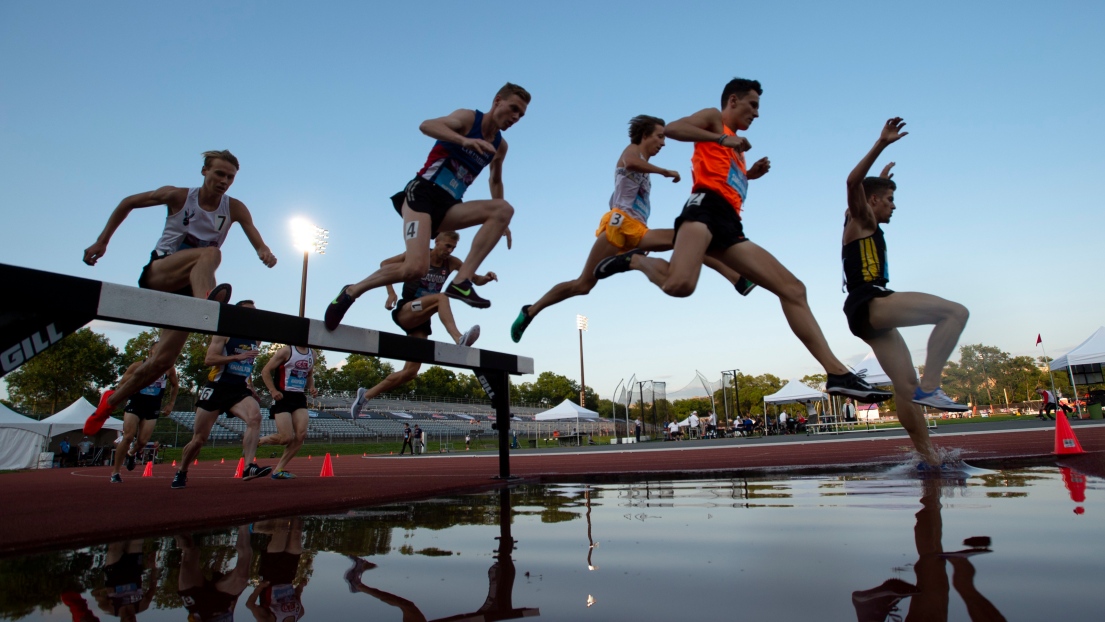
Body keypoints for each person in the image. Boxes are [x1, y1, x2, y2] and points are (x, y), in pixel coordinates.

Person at [619, 78, 890, 403]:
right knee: (680, 286)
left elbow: (722, 175)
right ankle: (635, 259)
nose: (757, 114)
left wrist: (750, 175)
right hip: (703, 210)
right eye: (753, 105)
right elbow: (675, 129)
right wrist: (721, 138)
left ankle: (837, 374)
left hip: (729, 223)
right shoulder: (713, 118)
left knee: (793, 289)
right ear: (733, 101)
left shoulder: (736, 146)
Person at [82, 150, 277, 434]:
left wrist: (265, 252)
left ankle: (110, 401)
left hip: (189, 290)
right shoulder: (178, 196)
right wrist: (102, 241)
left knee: (161, 362)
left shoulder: (235, 208)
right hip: (161, 273)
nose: (224, 181)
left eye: (230, 177)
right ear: (204, 172)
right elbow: (128, 202)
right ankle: (208, 309)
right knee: (211, 254)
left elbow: (257, 239)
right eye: (219, 174)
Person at [511, 115, 754, 342]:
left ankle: (738, 279)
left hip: (638, 230)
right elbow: (630, 162)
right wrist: (663, 171)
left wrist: (749, 175)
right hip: (619, 225)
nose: (663, 143)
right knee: (582, 285)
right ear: (644, 135)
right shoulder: (632, 152)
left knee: (689, 241)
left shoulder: (644, 165)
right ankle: (530, 311)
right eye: (659, 136)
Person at [325, 83, 530, 329]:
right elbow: (427, 126)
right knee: (415, 268)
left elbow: (495, 180)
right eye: (513, 108)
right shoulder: (468, 118)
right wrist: (463, 141)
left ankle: (461, 281)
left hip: (449, 205)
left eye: (521, 114)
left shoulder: (500, 146)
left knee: (504, 210)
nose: (516, 117)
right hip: (422, 194)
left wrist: (501, 224)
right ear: (497, 101)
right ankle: (352, 291)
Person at [842, 118, 970, 466]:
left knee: (904, 386)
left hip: (863, 311)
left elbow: (863, 186)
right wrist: (881, 144)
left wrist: (882, 178)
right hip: (871, 301)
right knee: (955, 312)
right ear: (871, 202)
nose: (894, 206)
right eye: (890, 199)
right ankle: (932, 385)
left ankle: (928, 458)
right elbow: (853, 182)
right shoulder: (863, 218)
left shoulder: (856, 218)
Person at [348, 232, 489, 417]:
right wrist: (390, 292)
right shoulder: (418, 254)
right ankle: (458, 338)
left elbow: (474, 278)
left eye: (453, 247)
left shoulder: (452, 262)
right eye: (447, 246)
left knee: (410, 372)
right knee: (442, 297)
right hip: (407, 309)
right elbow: (384, 264)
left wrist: (486, 278)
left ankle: (366, 395)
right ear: (436, 241)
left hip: (422, 318)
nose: (450, 250)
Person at [172, 300, 271, 489]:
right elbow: (209, 359)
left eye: (255, 312)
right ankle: (182, 470)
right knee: (199, 439)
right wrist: (236, 357)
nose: (253, 315)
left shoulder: (256, 339)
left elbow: (247, 365)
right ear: (237, 314)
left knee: (255, 417)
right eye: (248, 312)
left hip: (238, 390)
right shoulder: (224, 332)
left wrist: (251, 386)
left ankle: (249, 465)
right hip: (217, 387)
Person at [110, 338, 180, 483]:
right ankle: (115, 472)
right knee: (128, 436)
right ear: (150, 352)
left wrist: (170, 404)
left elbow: (175, 385)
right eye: (158, 349)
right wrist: (117, 399)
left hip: (153, 406)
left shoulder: (168, 368)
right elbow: (122, 384)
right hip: (135, 403)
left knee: (142, 441)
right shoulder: (137, 366)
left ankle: (131, 453)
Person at [258, 344, 318, 479]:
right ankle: (261, 440)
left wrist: (312, 387)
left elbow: (309, 375)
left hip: (299, 398)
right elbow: (265, 370)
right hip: (283, 396)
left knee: (301, 435)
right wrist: (273, 390)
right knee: (286, 438)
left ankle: (278, 469)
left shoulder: (313, 354)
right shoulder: (286, 351)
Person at [177, 525, 252, 622]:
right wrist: (237, 593)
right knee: (242, 578)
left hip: (197, 605)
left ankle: (171, 521)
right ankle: (244, 526)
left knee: (189, 548)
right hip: (222, 604)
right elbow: (231, 610)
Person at [247, 518, 308, 622]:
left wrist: (260, 587)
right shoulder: (299, 613)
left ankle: (256, 527)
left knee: (281, 529)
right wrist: (300, 587)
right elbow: (297, 595)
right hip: (289, 573)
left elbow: (250, 604)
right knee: (297, 531)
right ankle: (298, 505)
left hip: (272, 575)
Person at [90, 540, 159, 620]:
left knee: (116, 544)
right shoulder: (142, 606)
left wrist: (105, 589)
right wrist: (153, 568)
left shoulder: (110, 609)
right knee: (137, 539)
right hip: (133, 567)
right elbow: (153, 587)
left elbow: (94, 593)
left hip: (114, 570)